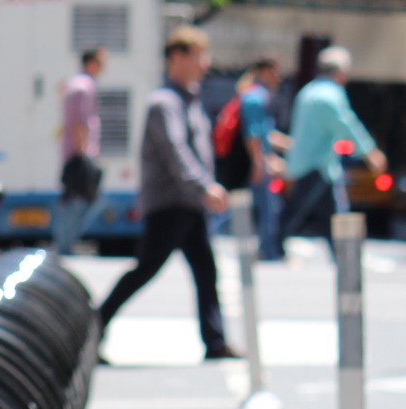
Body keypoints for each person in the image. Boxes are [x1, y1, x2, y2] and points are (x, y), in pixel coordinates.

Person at [96, 26, 235, 361]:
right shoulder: (164, 102)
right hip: (171, 203)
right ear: (177, 57)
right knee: (145, 270)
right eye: (199, 56)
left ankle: (214, 342)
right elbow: (176, 151)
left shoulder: (190, 100)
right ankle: (95, 324)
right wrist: (205, 187)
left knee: (205, 271)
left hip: (189, 204)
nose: (205, 63)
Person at [281, 46, 386, 242]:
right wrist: (370, 152)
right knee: (298, 210)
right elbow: (348, 126)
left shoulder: (309, 91)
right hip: (315, 164)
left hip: (314, 163)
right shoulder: (329, 96)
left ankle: (341, 254)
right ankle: (272, 247)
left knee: (332, 215)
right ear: (339, 72)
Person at [53, 48, 105, 255]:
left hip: (73, 153)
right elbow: (80, 122)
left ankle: (64, 245)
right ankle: (65, 246)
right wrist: (85, 155)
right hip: (79, 154)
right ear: (92, 63)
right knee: (80, 202)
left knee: (74, 201)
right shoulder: (85, 87)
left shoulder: (75, 84)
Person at [238, 57, 288, 261]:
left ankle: (268, 249)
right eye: (277, 71)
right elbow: (253, 133)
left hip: (259, 161)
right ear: (265, 70)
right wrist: (260, 162)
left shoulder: (256, 95)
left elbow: (267, 135)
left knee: (266, 207)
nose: (280, 77)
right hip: (255, 162)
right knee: (264, 209)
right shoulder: (255, 96)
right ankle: (268, 250)